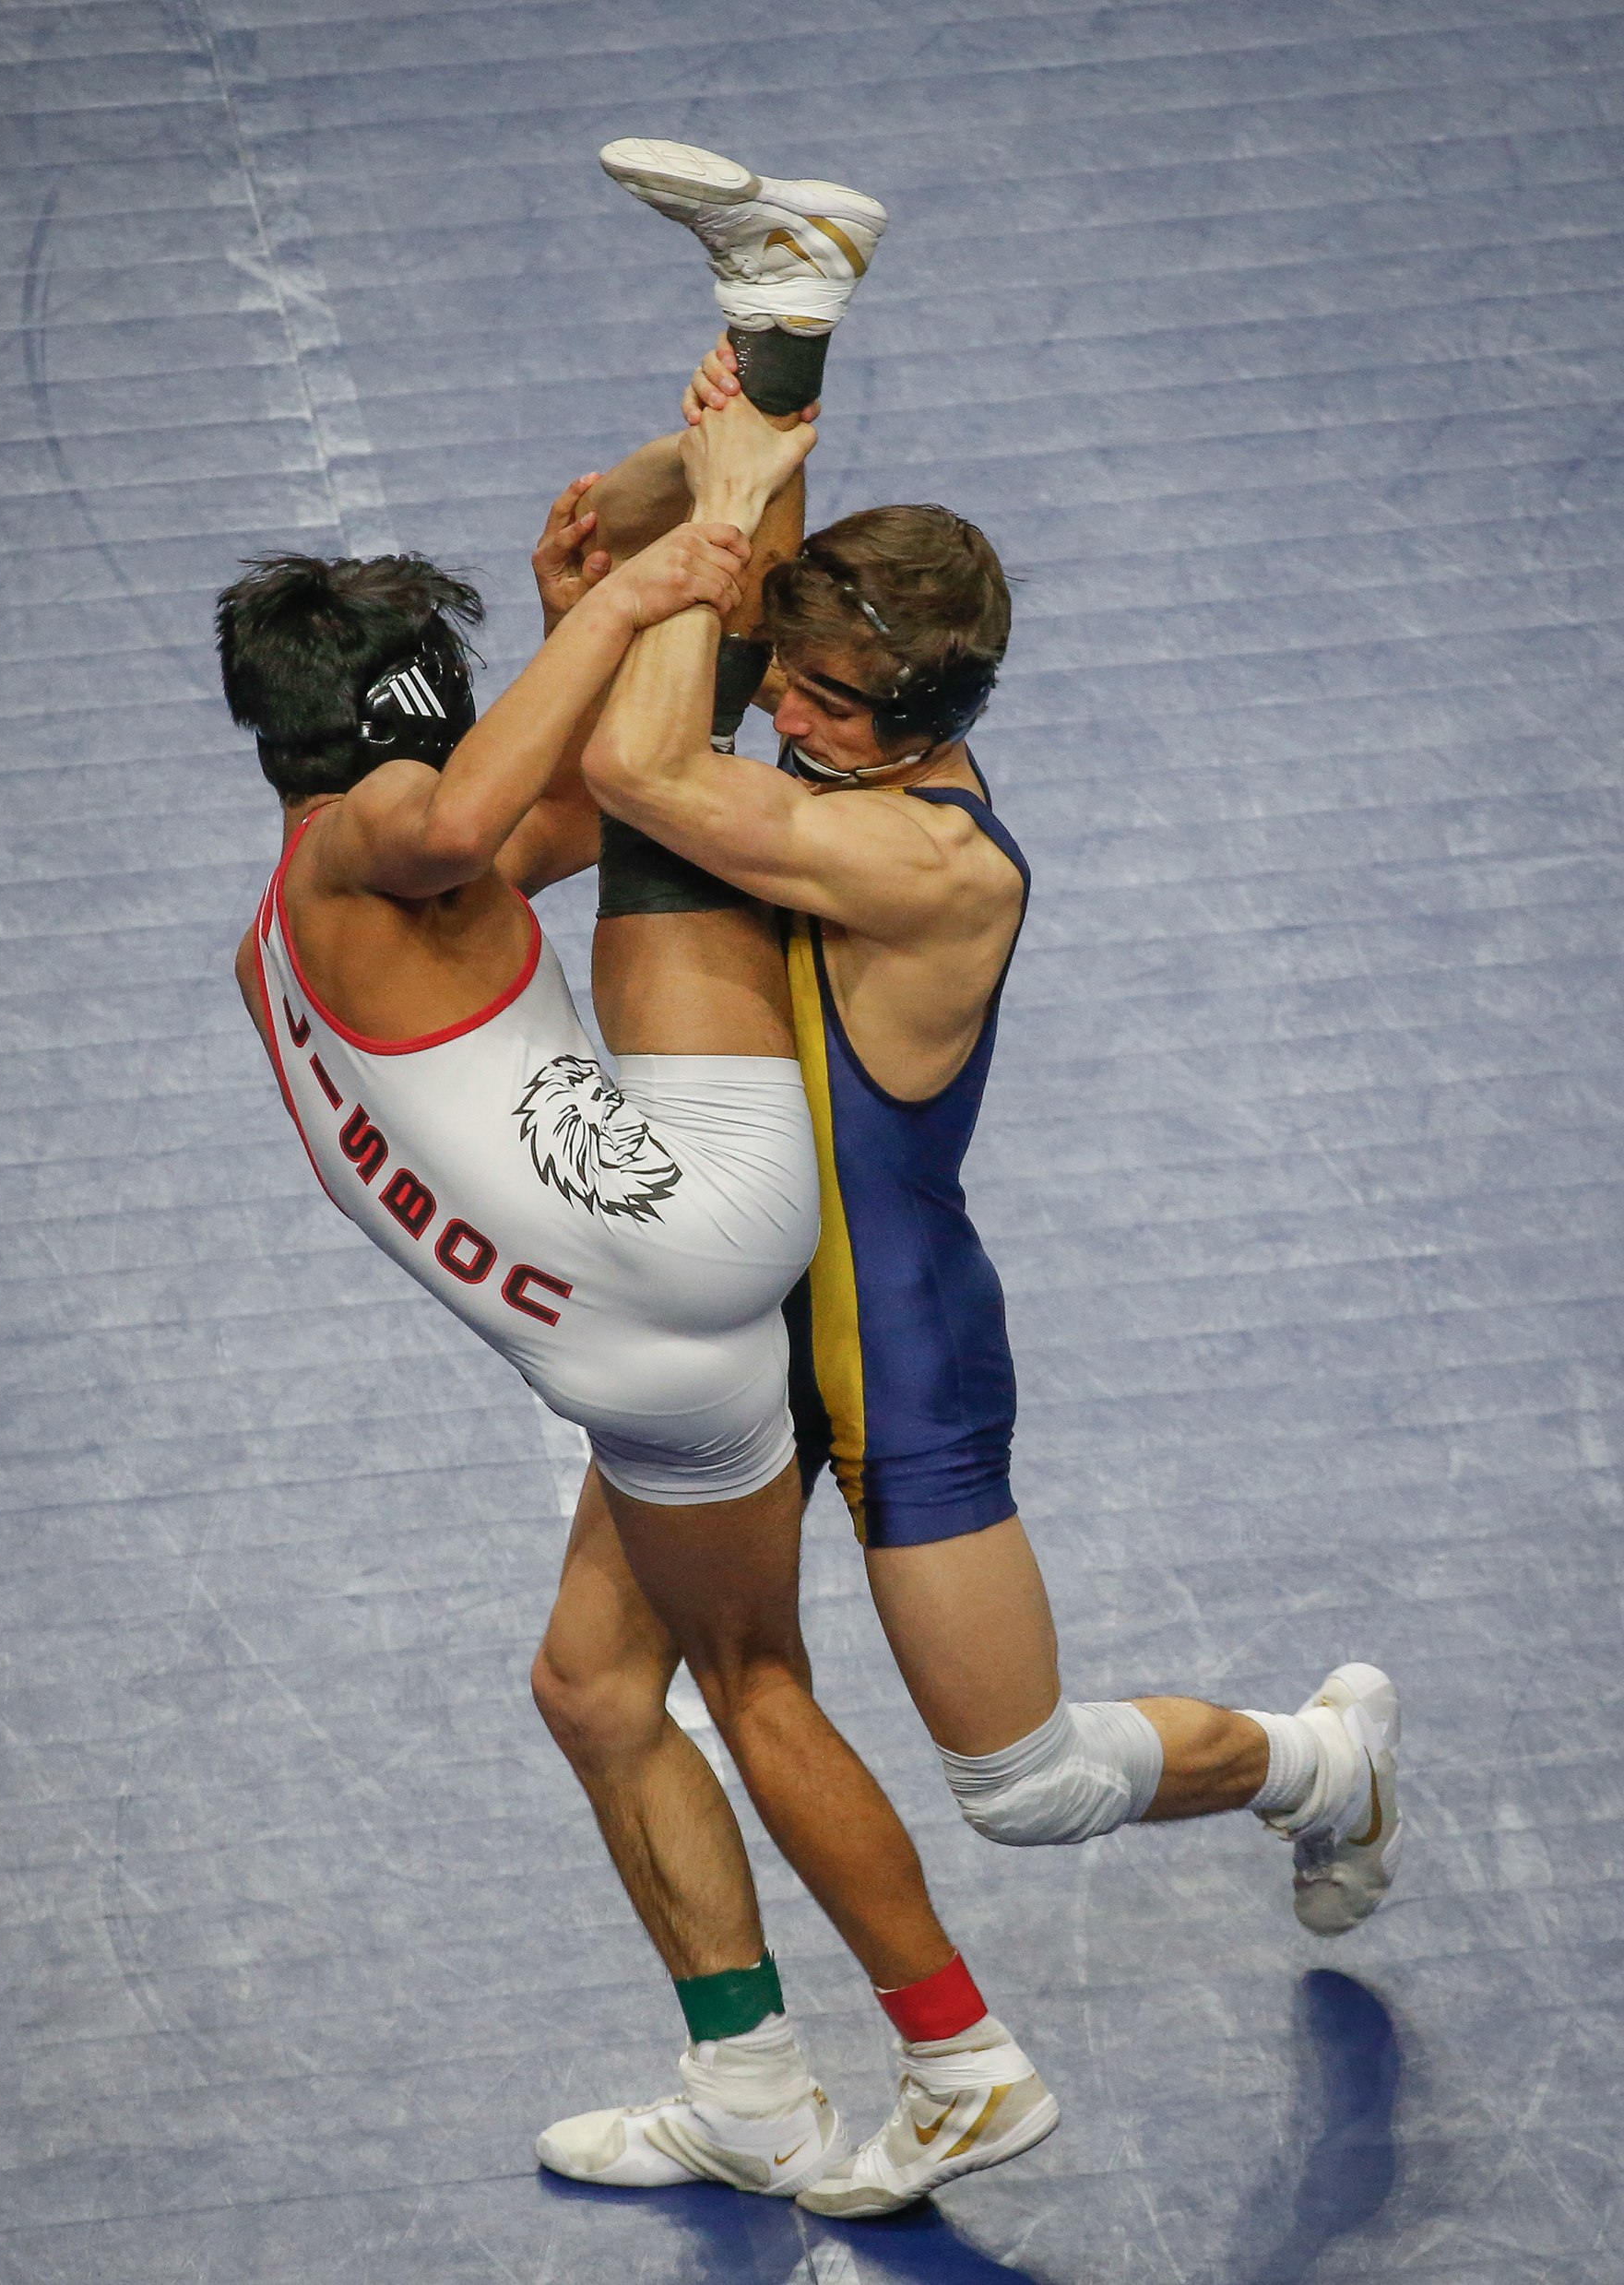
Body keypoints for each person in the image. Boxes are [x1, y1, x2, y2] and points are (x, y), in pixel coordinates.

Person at [539, 137, 1405, 2220]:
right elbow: (654, 610)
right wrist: (721, 445)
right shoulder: (826, 775)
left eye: (831, 704)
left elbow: (646, 766)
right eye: (794, 679)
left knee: (1023, 1787)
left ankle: (1318, 1762)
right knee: (592, 1681)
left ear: (921, 719)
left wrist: (724, 515)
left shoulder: (926, 855)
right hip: (725, 1329)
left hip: (904, 1364)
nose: (796, 718)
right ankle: (744, 2076)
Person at [218, 369, 1056, 2208]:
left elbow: (571, 786)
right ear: (412, 734)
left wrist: (670, 562)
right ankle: (759, 2086)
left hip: (626, 1323)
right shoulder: (414, 846)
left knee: (714, 1685)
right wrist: (667, 565)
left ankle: (957, 2051)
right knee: (614, 1689)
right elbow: (569, 789)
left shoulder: (292, 925)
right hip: (676, 1270)